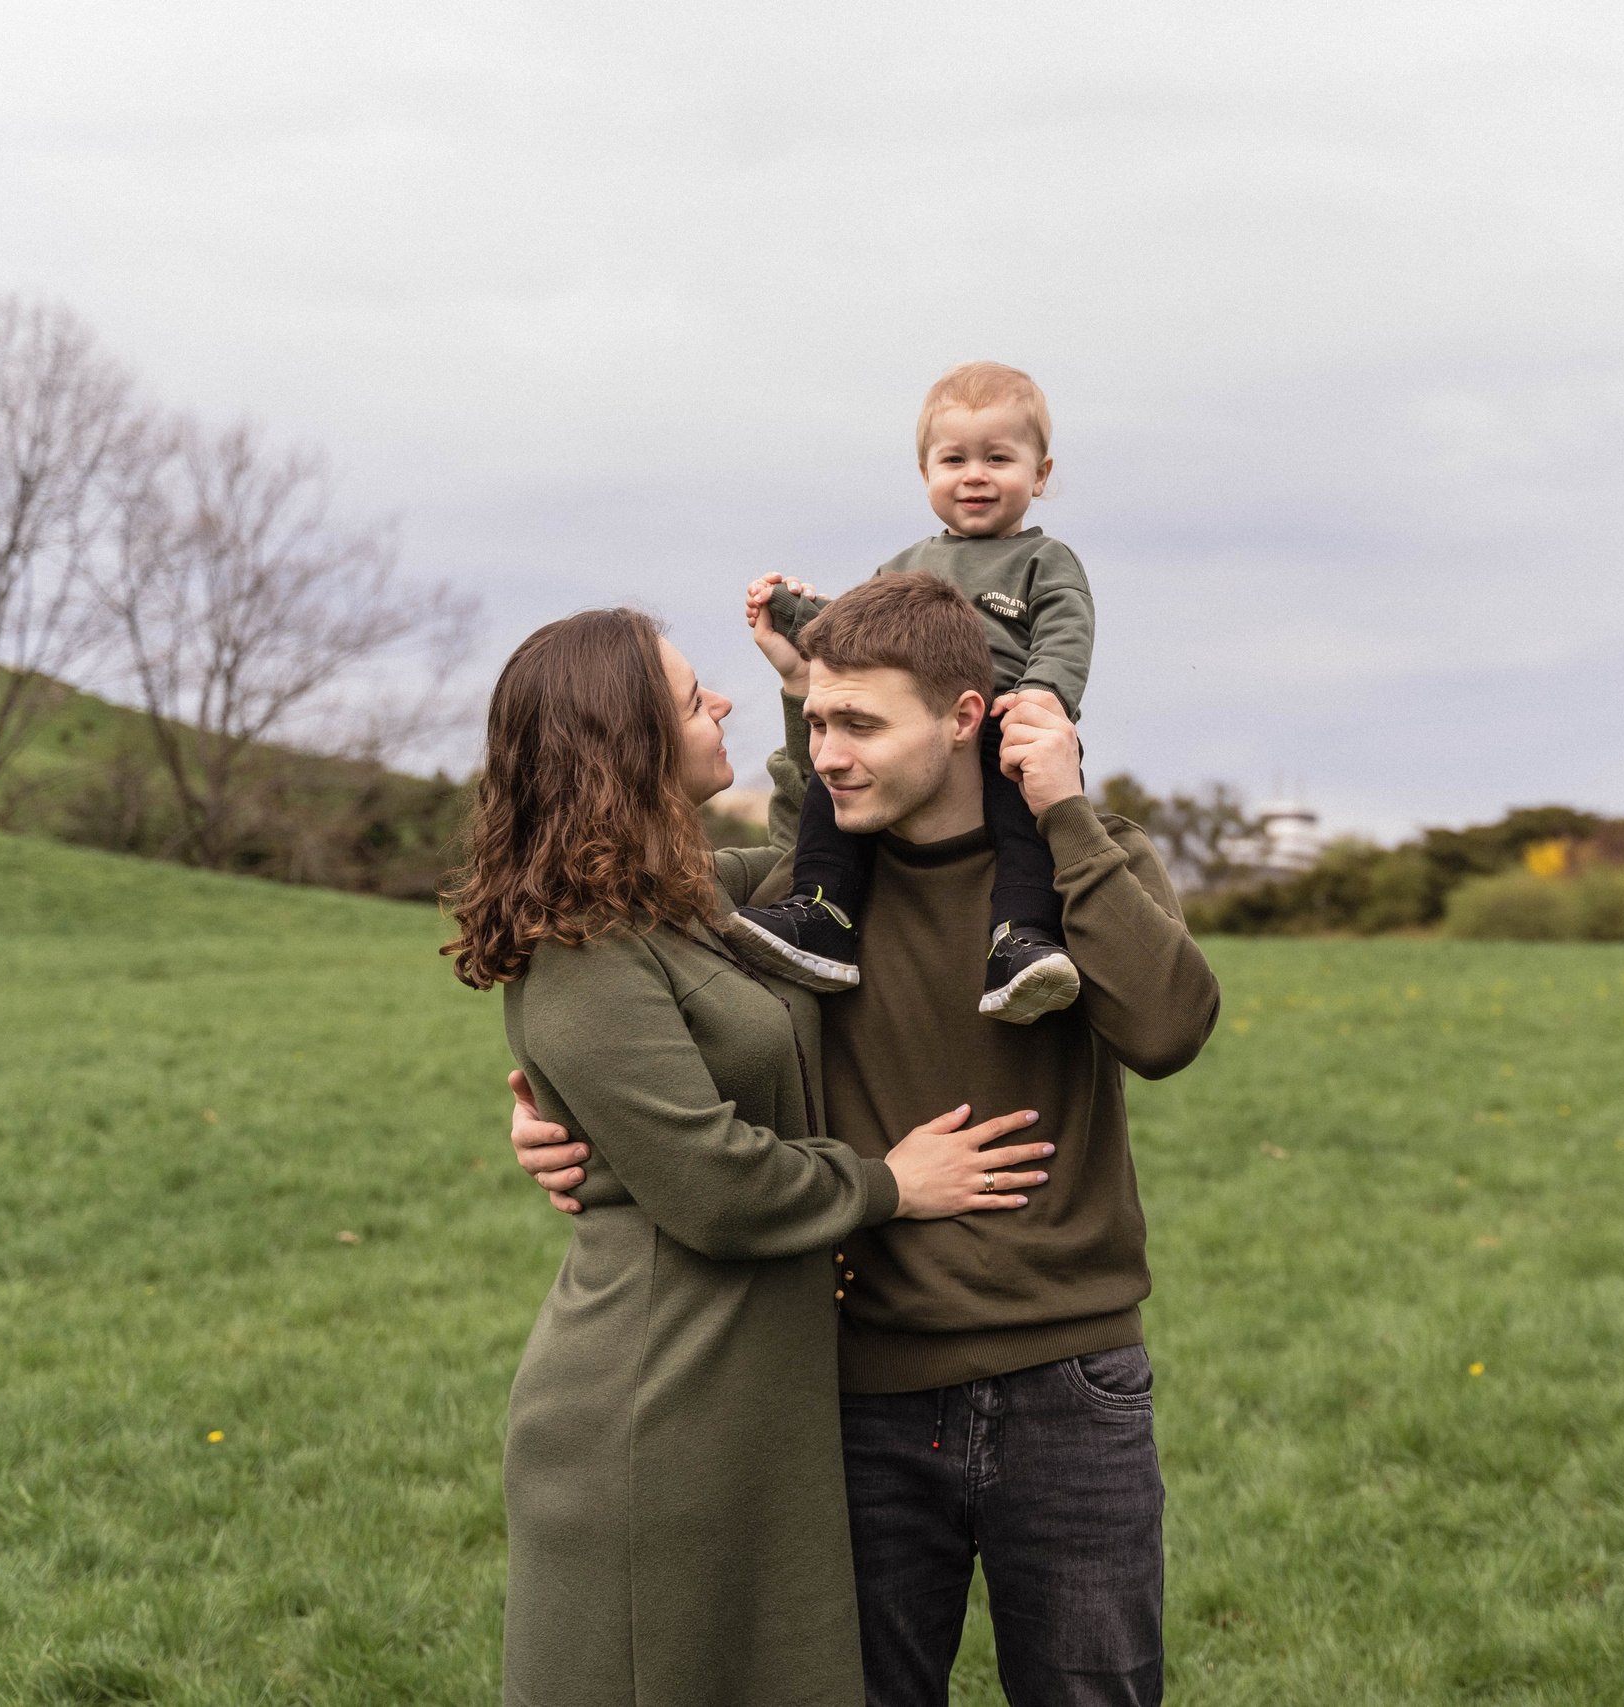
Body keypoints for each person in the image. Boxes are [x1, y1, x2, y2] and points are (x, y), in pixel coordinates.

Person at [513, 575, 1221, 1707]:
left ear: (963, 717)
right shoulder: (808, 896)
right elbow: (610, 954)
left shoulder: (1084, 862)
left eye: (859, 725)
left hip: (1071, 1385)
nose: (827, 754)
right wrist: (556, 1115)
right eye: (817, 722)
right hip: (858, 1392)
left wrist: (1065, 817)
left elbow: (1170, 1030)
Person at [443, 607, 1058, 1707]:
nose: (716, 701)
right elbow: (717, 1187)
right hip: (657, 1402)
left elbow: (808, 870)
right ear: (628, 743)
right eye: (693, 699)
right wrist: (890, 1184)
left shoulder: (678, 901)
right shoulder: (583, 948)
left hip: (745, 1393)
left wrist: (803, 695)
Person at [721, 361, 1095, 1025]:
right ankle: (822, 915)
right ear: (926, 473)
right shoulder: (903, 567)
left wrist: (1044, 696)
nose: (974, 475)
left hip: (1005, 722)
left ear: (1039, 475)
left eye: (998, 458)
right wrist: (793, 612)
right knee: (833, 789)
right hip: (911, 730)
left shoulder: (1045, 561)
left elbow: (1067, 631)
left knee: (1023, 828)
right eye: (954, 459)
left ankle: (1021, 942)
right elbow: (855, 637)